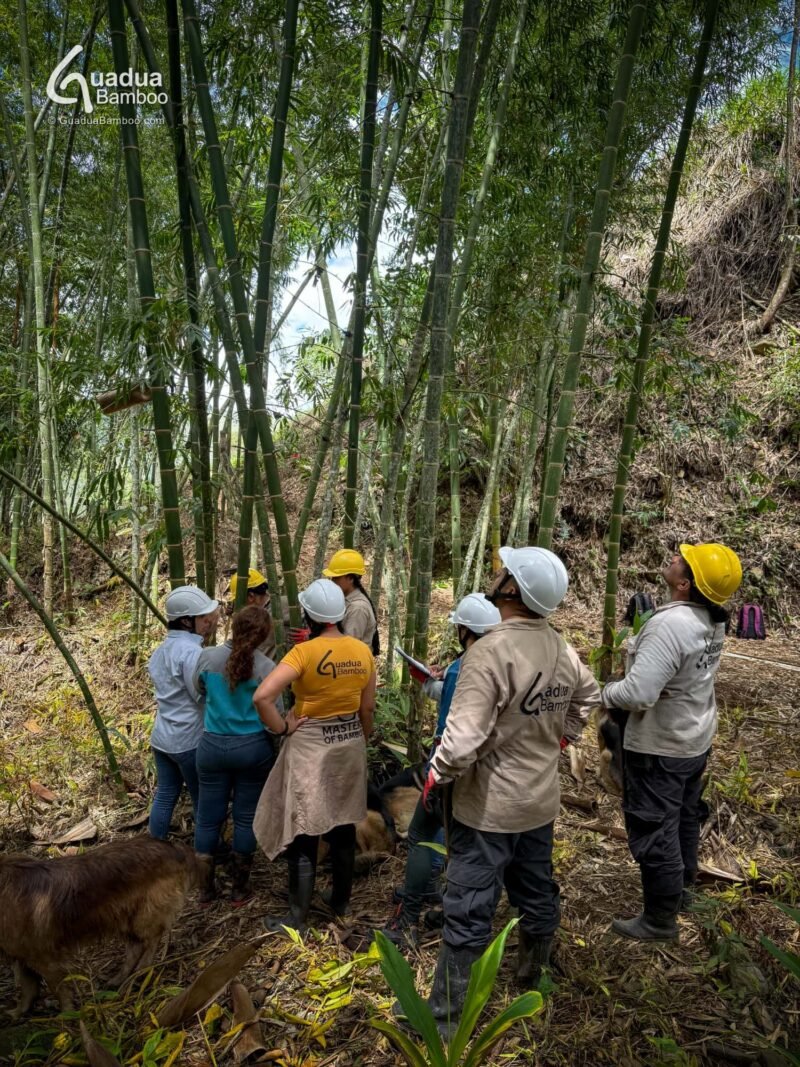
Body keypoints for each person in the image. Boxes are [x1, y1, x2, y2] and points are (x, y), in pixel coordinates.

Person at [420, 547, 600, 1039]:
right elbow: (588, 695)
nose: (495, 575)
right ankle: (534, 979)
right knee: (536, 890)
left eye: (503, 572)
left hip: (489, 808)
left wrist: (436, 775)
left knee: (468, 906)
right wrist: (561, 738)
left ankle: (444, 1021)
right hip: (539, 802)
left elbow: (460, 743)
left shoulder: (488, 652)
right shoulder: (559, 647)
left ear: (512, 590)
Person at [602, 542, 742, 942]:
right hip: (693, 737)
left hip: (660, 746)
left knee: (655, 828)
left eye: (684, 560)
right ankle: (681, 893)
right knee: (683, 818)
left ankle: (659, 920)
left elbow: (639, 694)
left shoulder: (670, 625)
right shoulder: (712, 619)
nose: (676, 557)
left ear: (685, 584)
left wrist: (606, 692)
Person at [252, 579, 376, 933]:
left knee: (305, 829)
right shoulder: (362, 651)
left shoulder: (303, 653)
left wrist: (283, 727)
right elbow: (367, 708)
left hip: (311, 747)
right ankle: (340, 902)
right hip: (349, 742)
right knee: (343, 826)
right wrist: (360, 738)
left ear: (308, 615)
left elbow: (262, 697)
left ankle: (297, 917)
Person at [381, 593, 501, 947]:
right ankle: (441, 898)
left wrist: (438, 771)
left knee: (422, 833)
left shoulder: (467, 667)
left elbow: (452, 722)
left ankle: (408, 920)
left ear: (465, 630)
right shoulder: (503, 661)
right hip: (489, 769)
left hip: (450, 764)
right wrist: (432, 681)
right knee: (458, 837)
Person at [192, 606, 282, 907]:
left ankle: (205, 890)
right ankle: (239, 889)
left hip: (212, 747)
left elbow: (197, 689)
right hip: (252, 749)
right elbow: (276, 713)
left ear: (233, 627)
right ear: (264, 635)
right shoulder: (267, 667)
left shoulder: (207, 658)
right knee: (245, 817)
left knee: (207, 818)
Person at [148, 586, 219, 840]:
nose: (208, 624)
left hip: (162, 738)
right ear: (187, 621)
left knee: (166, 794)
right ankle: (205, 852)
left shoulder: (160, 651)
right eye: (204, 619)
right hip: (189, 740)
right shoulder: (192, 653)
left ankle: (153, 849)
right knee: (203, 798)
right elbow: (199, 694)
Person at [322, 549, 379, 652]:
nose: (332, 581)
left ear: (350, 579)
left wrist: (311, 641)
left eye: (336, 577)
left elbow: (346, 647)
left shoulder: (358, 608)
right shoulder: (344, 600)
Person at [228, 568, 290, 661]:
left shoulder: (284, 606)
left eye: (238, 601)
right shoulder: (253, 616)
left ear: (251, 596)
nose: (239, 606)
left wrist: (306, 634)